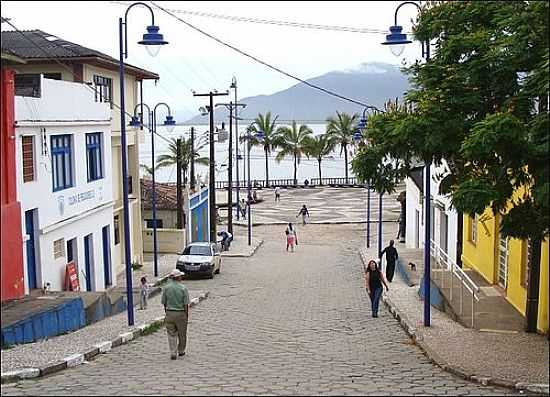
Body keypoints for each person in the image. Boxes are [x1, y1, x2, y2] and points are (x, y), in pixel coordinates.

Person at [161, 269, 190, 360]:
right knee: (182, 334)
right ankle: (181, 350)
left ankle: (173, 352)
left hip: (169, 313)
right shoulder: (183, 288)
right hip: (181, 313)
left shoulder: (166, 288)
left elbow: (164, 302)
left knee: (171, 334)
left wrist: (167, 312)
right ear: (178, 277)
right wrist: (186, 315)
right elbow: (185, 304)